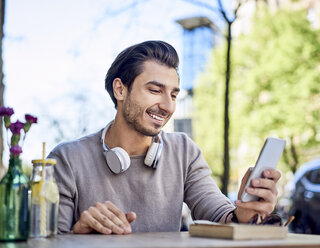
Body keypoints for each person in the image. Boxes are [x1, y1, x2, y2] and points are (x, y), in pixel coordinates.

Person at [49, 40, 281, 235]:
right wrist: (78, 233)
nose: (167, 106)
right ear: (120, 90)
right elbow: (47, 240)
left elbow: (221, 216)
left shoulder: (183, 151)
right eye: (155, 90)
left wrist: (244, 214)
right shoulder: (67, 159)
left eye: (173, 94)